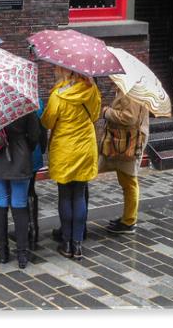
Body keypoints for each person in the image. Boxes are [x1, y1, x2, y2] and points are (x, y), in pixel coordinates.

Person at [41, 67, 101, 261]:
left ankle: (66, 243)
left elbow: (48, 122)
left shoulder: (57, 95)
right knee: (80, 194)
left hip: (64, 149)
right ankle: (78, 244)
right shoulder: (91, 89)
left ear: (62, 71)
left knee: (65, 195)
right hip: (85, 147)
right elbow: (96, 114)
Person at [0, 112, 41, 269]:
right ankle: (22, 254)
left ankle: (3, 251)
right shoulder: (24, 105)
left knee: (0, 201)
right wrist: (24, 147)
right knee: (19, 204)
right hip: (20, 156)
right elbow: (34, 135)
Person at [99, 87, 149, 234]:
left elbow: (130, 117)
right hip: (125, 141)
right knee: (126, 179)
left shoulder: (131, 92)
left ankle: (129, 222)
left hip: (129, 142)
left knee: (129, 181)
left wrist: (107, 112)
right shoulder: (126, 89)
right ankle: (127, 218)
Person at [28, 98, 48, 251]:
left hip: (15, 155)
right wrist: (42, 148)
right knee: (31, 189)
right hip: (33, 151)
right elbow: (42, 129)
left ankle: (26, 226)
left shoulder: (6, 99)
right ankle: (33, 227)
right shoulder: (37, 100)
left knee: (19, 192)